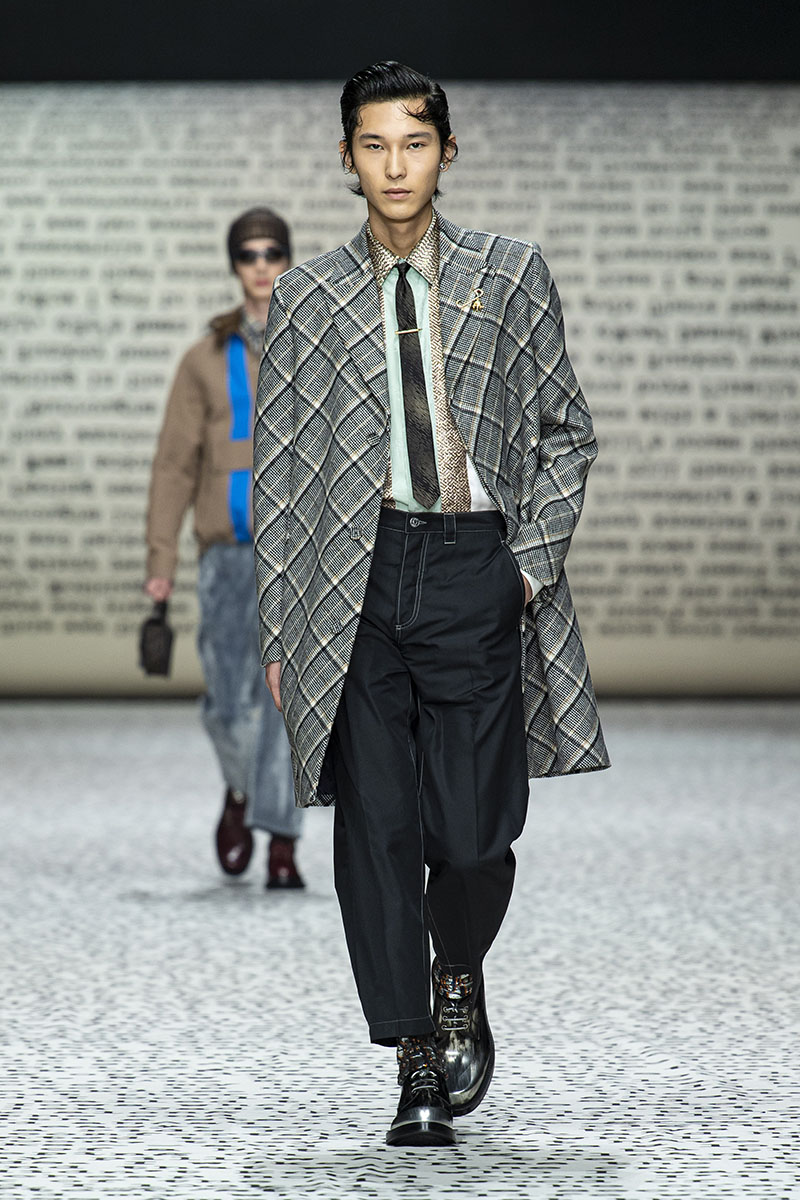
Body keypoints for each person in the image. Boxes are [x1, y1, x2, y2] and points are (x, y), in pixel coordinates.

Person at [253, 63, 610, 1146]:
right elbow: (281, 472)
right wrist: (280, 630)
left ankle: (456, 969)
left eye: (414, 143)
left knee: (473, 831)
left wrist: (523, 569)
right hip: (348, 584)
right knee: (375, 827)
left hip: (470, 566)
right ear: (347, 158)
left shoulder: (511, 274)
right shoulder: (308, 298)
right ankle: (414, 1055)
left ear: (445, 151)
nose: (395, 165)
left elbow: (566, 432)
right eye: (374, 145)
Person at [145, 207, 305, 890]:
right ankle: (240, 790)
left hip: (298, 559)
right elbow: (174, 465)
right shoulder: (204, 361)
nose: (261, 266)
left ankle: (282, 838)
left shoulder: (318, 344)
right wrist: (160, 562)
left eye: (272, 253)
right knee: (227, 700)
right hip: (228, 555)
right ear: (235, 265)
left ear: (288, 260)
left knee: (288, 702)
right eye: (249, 255)